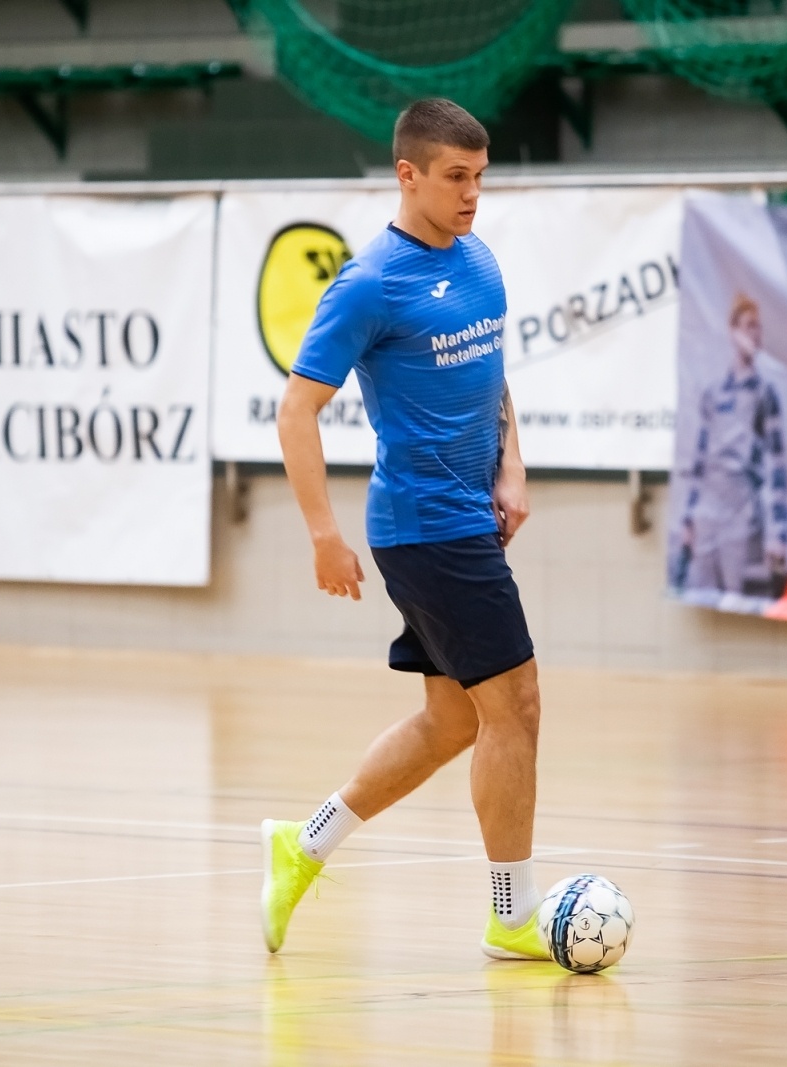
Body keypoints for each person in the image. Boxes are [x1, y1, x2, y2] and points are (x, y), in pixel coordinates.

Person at [261, 98, 549, 962]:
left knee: (455, 721)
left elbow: (493, 379)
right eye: (456, 178)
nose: (472, 196)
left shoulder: (481, 261)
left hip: (468, 515)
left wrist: (513, 465)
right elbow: (296, 411)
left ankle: (301, 845)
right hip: (425, 526)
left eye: (481, 177)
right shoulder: (370, 283)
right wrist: (322, 533)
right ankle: (512, 914)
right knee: (519, 706)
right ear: (408, 173)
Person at [674, 294, 787, 598]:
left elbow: (777, 467)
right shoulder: (714, 394)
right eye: (749, 326)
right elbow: (699, 462)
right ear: (733, 330)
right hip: (708, 516)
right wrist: (689, 520)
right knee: (702, 595)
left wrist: (779, 534)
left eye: (759, 328)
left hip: (743, 517)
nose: (755, 334)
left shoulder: (764, 393)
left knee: (739, 599)